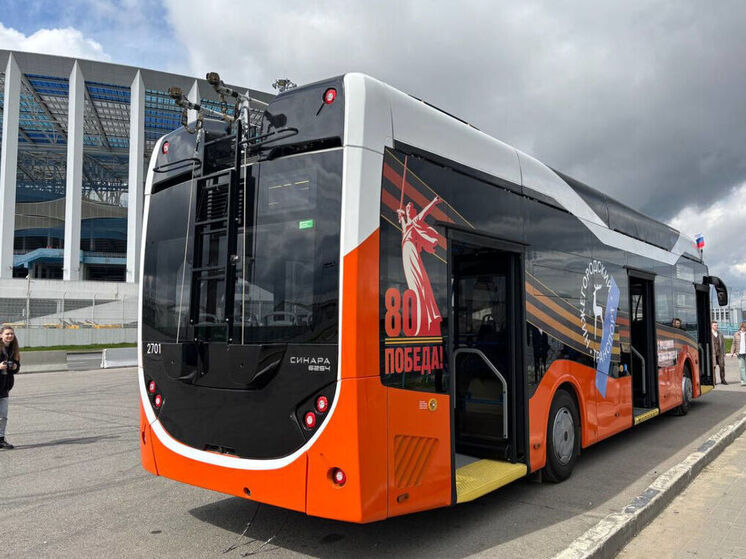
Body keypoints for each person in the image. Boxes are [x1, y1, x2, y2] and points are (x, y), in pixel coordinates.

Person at [0, 326, 20, 450]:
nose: (9, 336)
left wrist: (15, 367)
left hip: (4, 387)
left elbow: (17, 367)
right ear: (1, 335)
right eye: (7, 334)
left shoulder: (13, 350)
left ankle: (1, 439)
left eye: (11, 334)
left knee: (3, 416)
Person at [731, 322, 746, 387]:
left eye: (745, 327)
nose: (744, 328)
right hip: (739, 353)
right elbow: (733, 343)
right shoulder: (736, 334)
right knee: (741, 367)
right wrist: (732, 352)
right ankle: (743, 381)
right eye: (743, 327)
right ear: (741, 327)